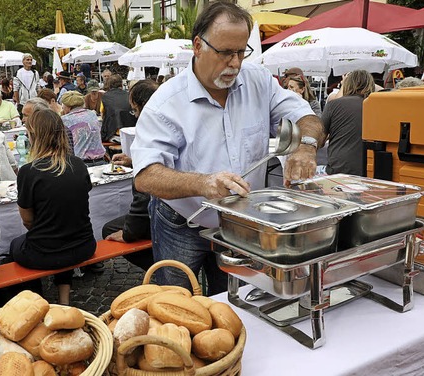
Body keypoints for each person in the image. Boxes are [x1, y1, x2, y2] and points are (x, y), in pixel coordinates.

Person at [130, 1, 322, 295]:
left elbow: (305, 117)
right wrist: (203, 183)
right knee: (177, 303)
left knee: (237, 299)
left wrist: (306, 146)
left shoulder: (258, 81)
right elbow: (145, 175)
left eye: (242, 51)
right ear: (198, 45)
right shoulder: (166, 102)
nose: (235, 63)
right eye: (225, 53)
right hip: (181, 222)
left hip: (240, 224)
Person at [12, 109, 96, 305]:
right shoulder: (78, 165)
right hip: (84, 245)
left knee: (15, 245)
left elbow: (27, 220)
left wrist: (45, 231)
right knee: (61, 237)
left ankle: (36, 301)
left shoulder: (28, 172)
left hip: (46, 253)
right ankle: (63, 298)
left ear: (34, 136)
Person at [102, 79, 159, 271]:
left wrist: (127, 233)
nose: (134, 116)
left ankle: (159, 268)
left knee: (109, 229)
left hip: (163, 216)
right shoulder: (169, 123)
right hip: (184, 212)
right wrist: (133, 160)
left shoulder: (150, 132)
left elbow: (143, 200)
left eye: (134, 110)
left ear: (142, 107)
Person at [321, 69, 374, 176]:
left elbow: (320, 140)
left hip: (339, 169)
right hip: (370, 169)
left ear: (347, 85)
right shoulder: (377, 106)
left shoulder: (333, 105)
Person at [60, 91, 105, 166]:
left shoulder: (65, 120)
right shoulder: (92, 114)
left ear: (68, 106)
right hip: (101, 160)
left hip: (81, 164)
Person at [100, 74, 135, 142]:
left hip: (113, 135)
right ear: (121, 84)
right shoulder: (130, 96)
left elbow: (102, 115)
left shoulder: (105, 97)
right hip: (130, 134)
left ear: (109, 85)